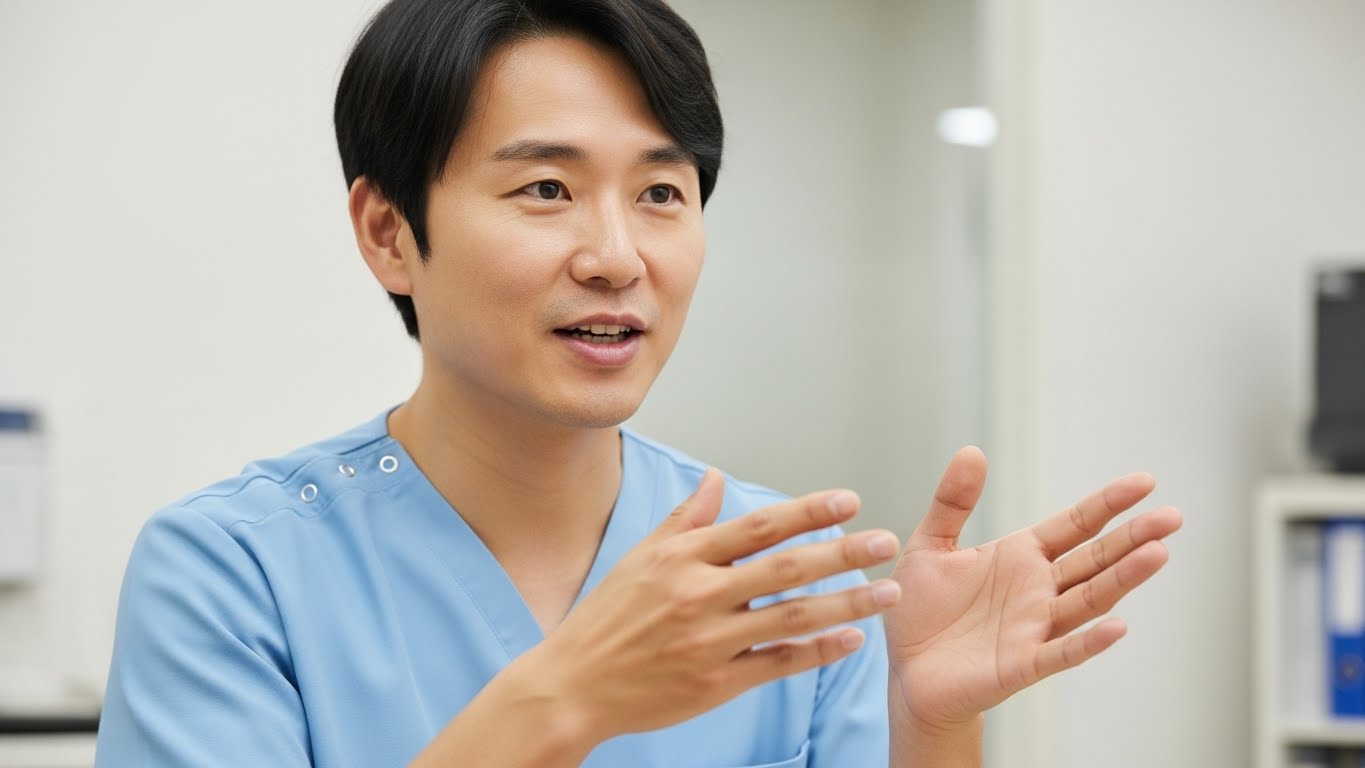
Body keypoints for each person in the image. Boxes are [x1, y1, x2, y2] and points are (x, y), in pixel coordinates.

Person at [93, 0, 1183, 765]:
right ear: (389, 233)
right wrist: (562, 700)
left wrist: (931, 729)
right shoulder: (233, 573)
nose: (617, 256)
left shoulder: (783, 583)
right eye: (546, 188)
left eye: (662, 193)